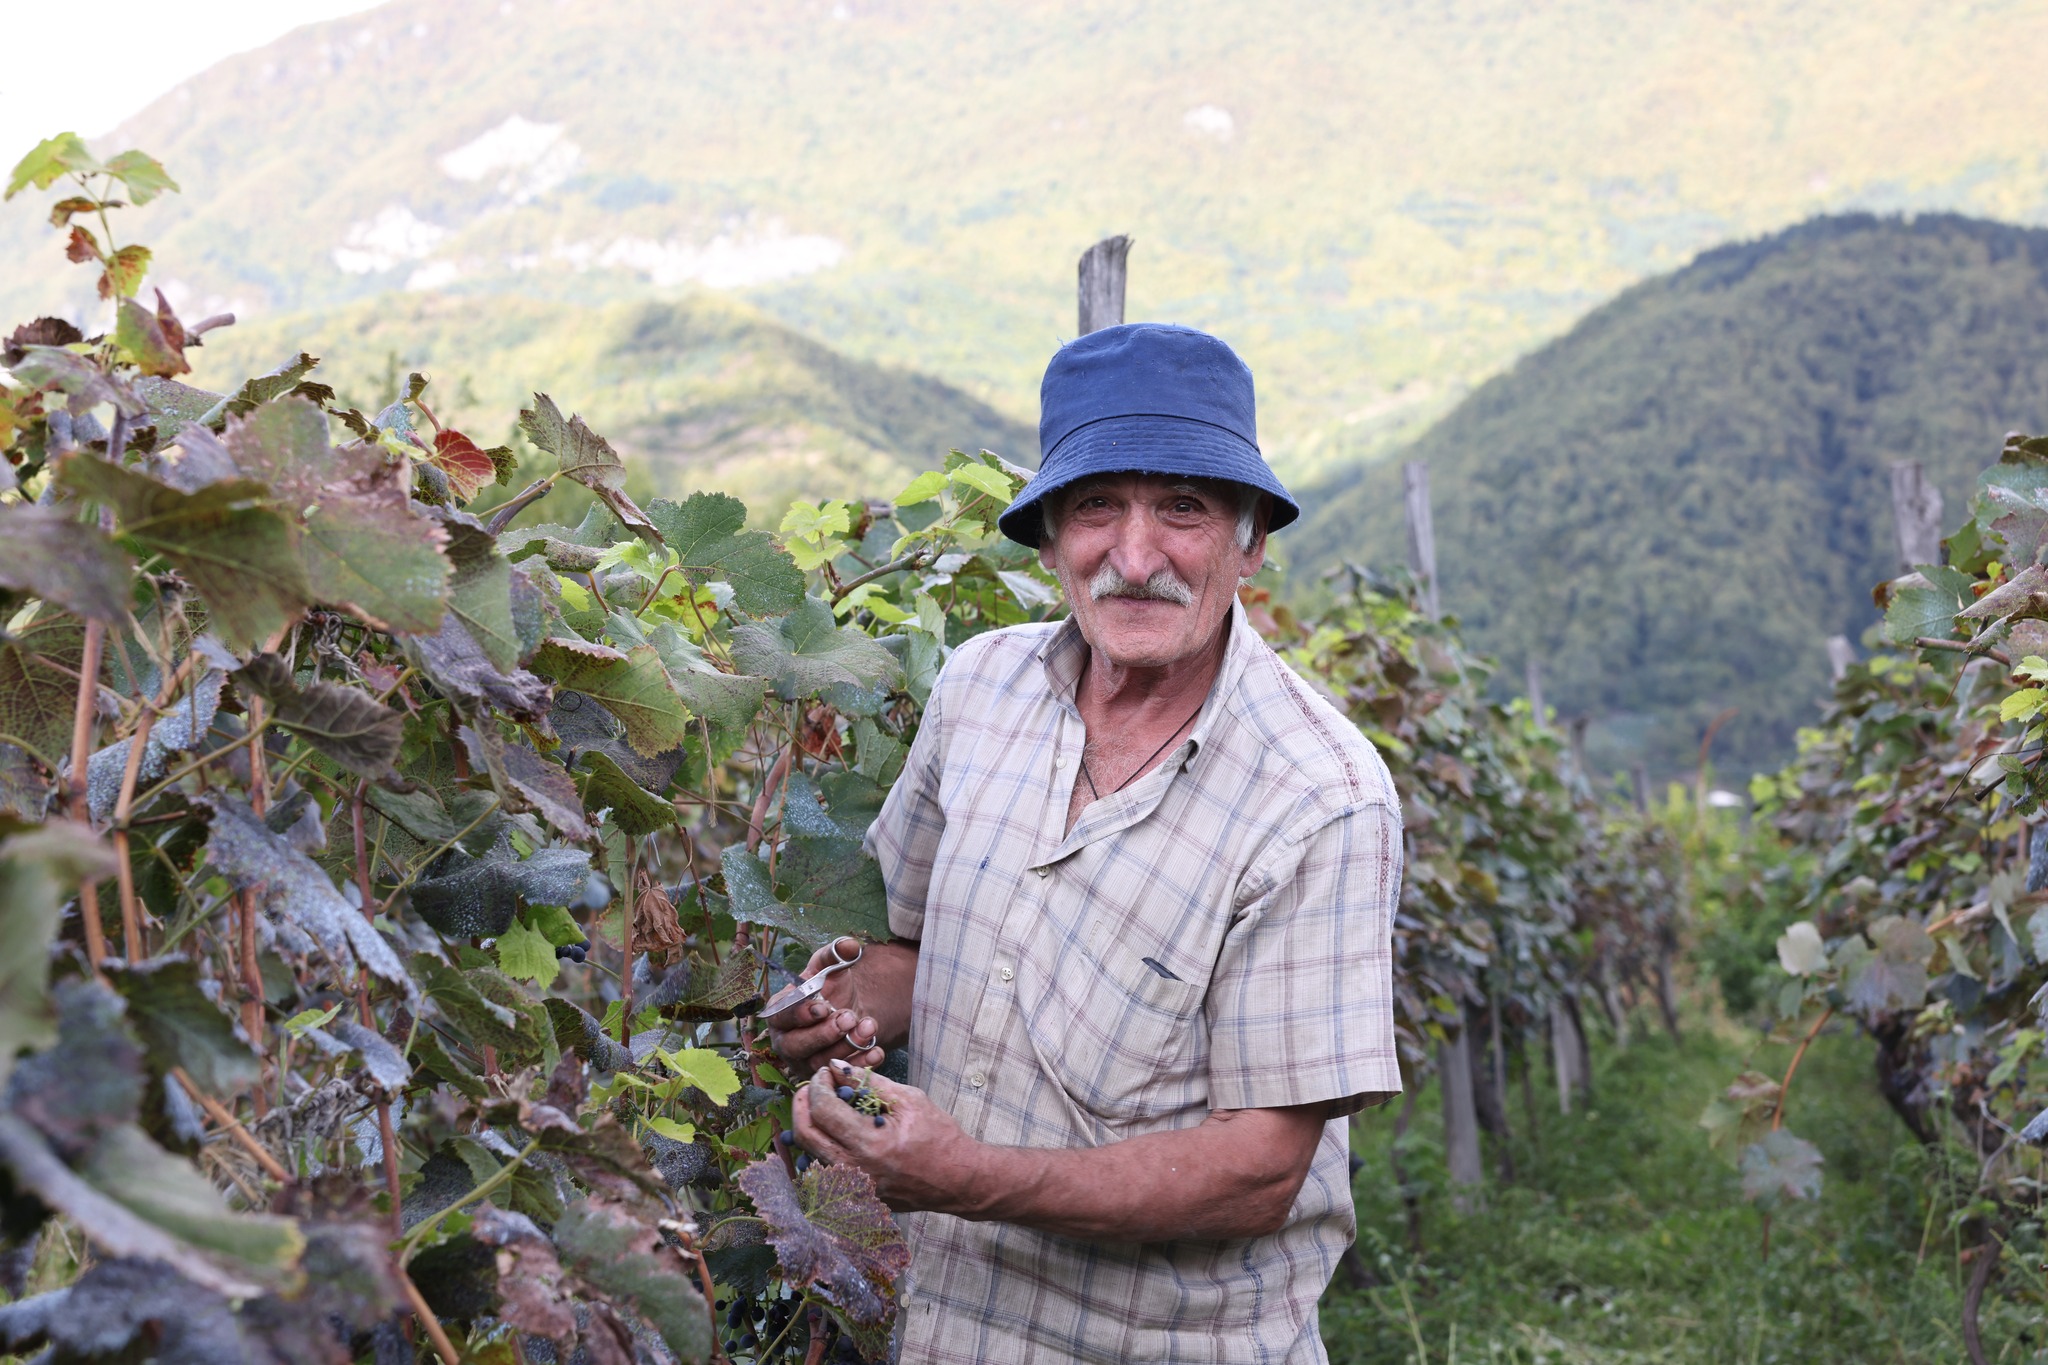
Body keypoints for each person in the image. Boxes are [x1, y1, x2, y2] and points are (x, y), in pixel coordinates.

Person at [770, 322, 1402, 1363]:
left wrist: (965, 1175)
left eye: (1184, 508)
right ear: (1050, 537)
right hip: (932, 1329)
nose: (1135, 557)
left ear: (1250, 543)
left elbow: (1260, 1167)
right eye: (1097, 506)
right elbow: (925, 955)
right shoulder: (978, 688)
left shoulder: (1320, 798)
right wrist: (839, 1003)